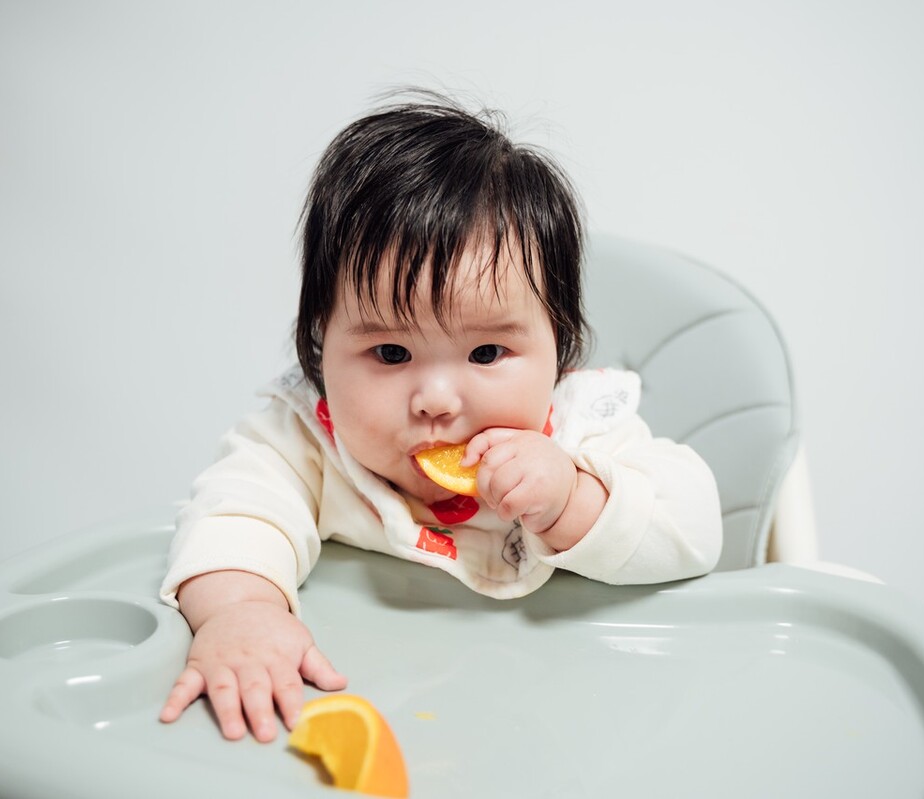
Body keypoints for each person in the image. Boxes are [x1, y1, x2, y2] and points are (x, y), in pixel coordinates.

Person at [158, 93, 723, 743]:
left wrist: (573, 497)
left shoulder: (575, 433)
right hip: (386, 718)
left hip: (557, 724)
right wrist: (241, 611)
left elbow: (695, 527)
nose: (436, 399)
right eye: (390, 352)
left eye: (487, 352)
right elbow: (233, 514)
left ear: (559, 348)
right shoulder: (308, 441)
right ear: (321, 345)